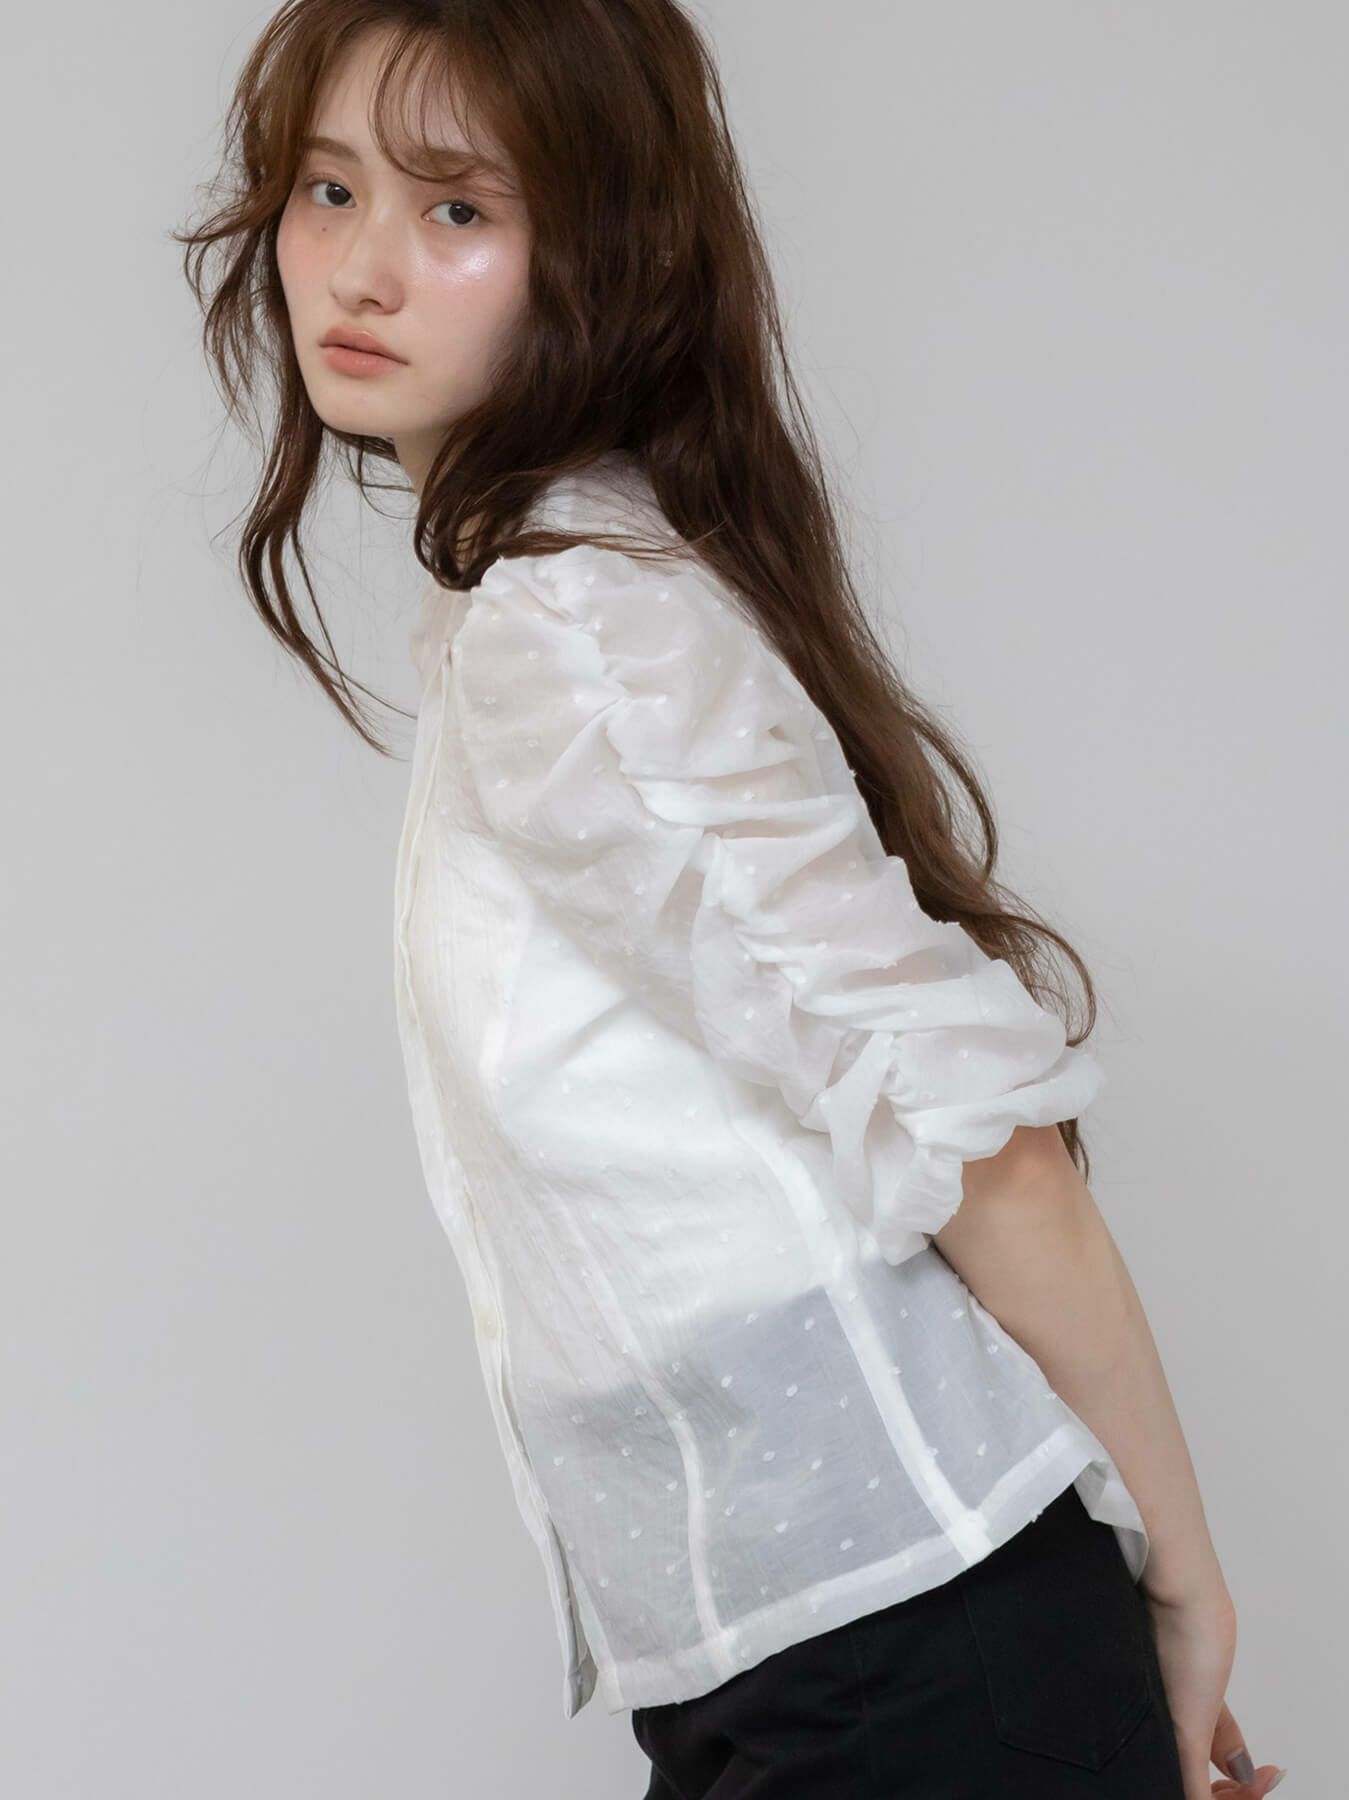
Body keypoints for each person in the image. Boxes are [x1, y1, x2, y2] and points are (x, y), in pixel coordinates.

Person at [175, 3, 1284, 1795]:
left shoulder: (574, 629)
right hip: (809, 1665)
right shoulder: (552, 588)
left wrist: (1185, 1585)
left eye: (457, 209)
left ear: (600, 258)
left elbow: (983, 1142)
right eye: (328, 188)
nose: (361, 268)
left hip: (910, 1662)